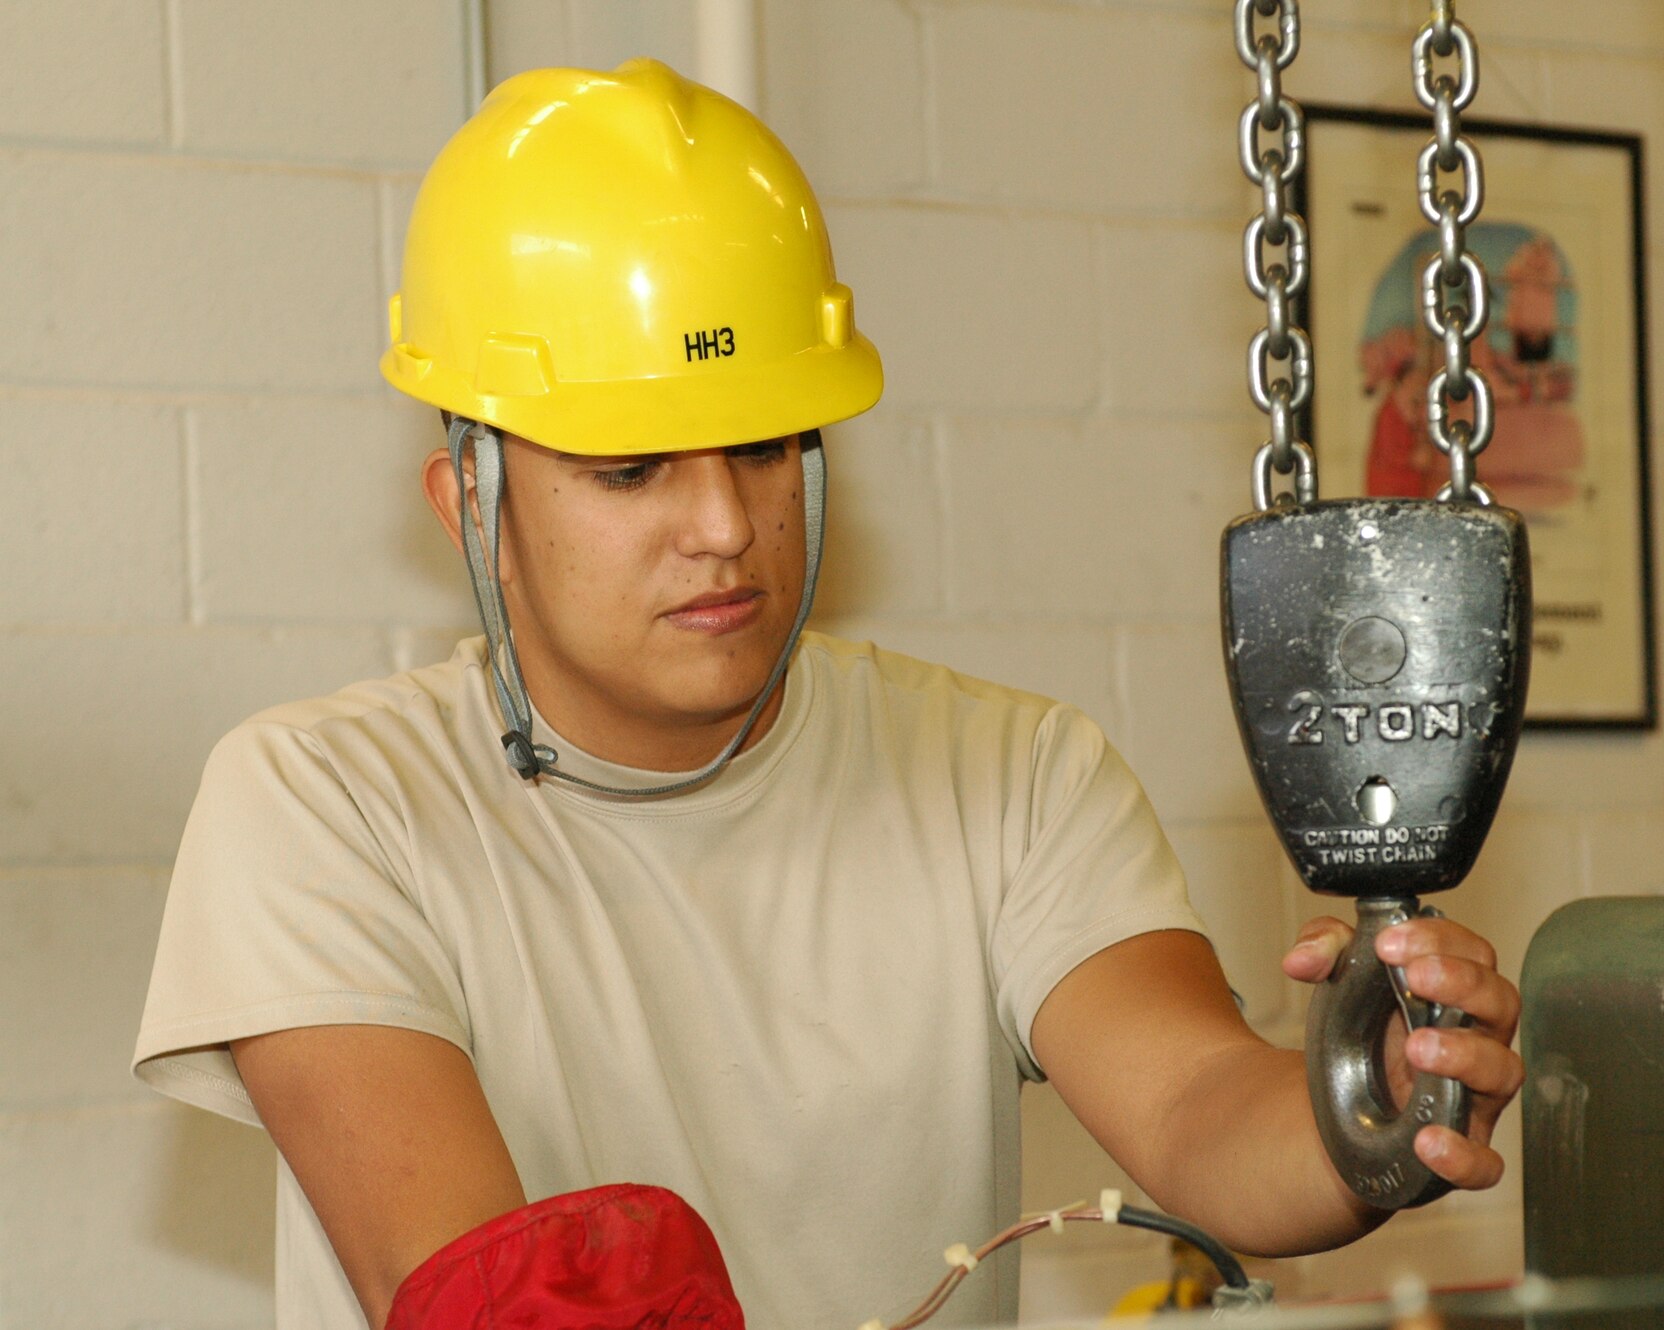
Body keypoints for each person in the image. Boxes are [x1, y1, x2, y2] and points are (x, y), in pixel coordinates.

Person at [131, 59, 1525, 1330]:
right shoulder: (321, 804)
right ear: (471, 501)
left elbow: (1196, 1108)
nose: (725, 525)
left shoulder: (1009, 769)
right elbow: (481, 1283)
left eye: (761, 449)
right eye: (633, 471)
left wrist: (1365, 1109)